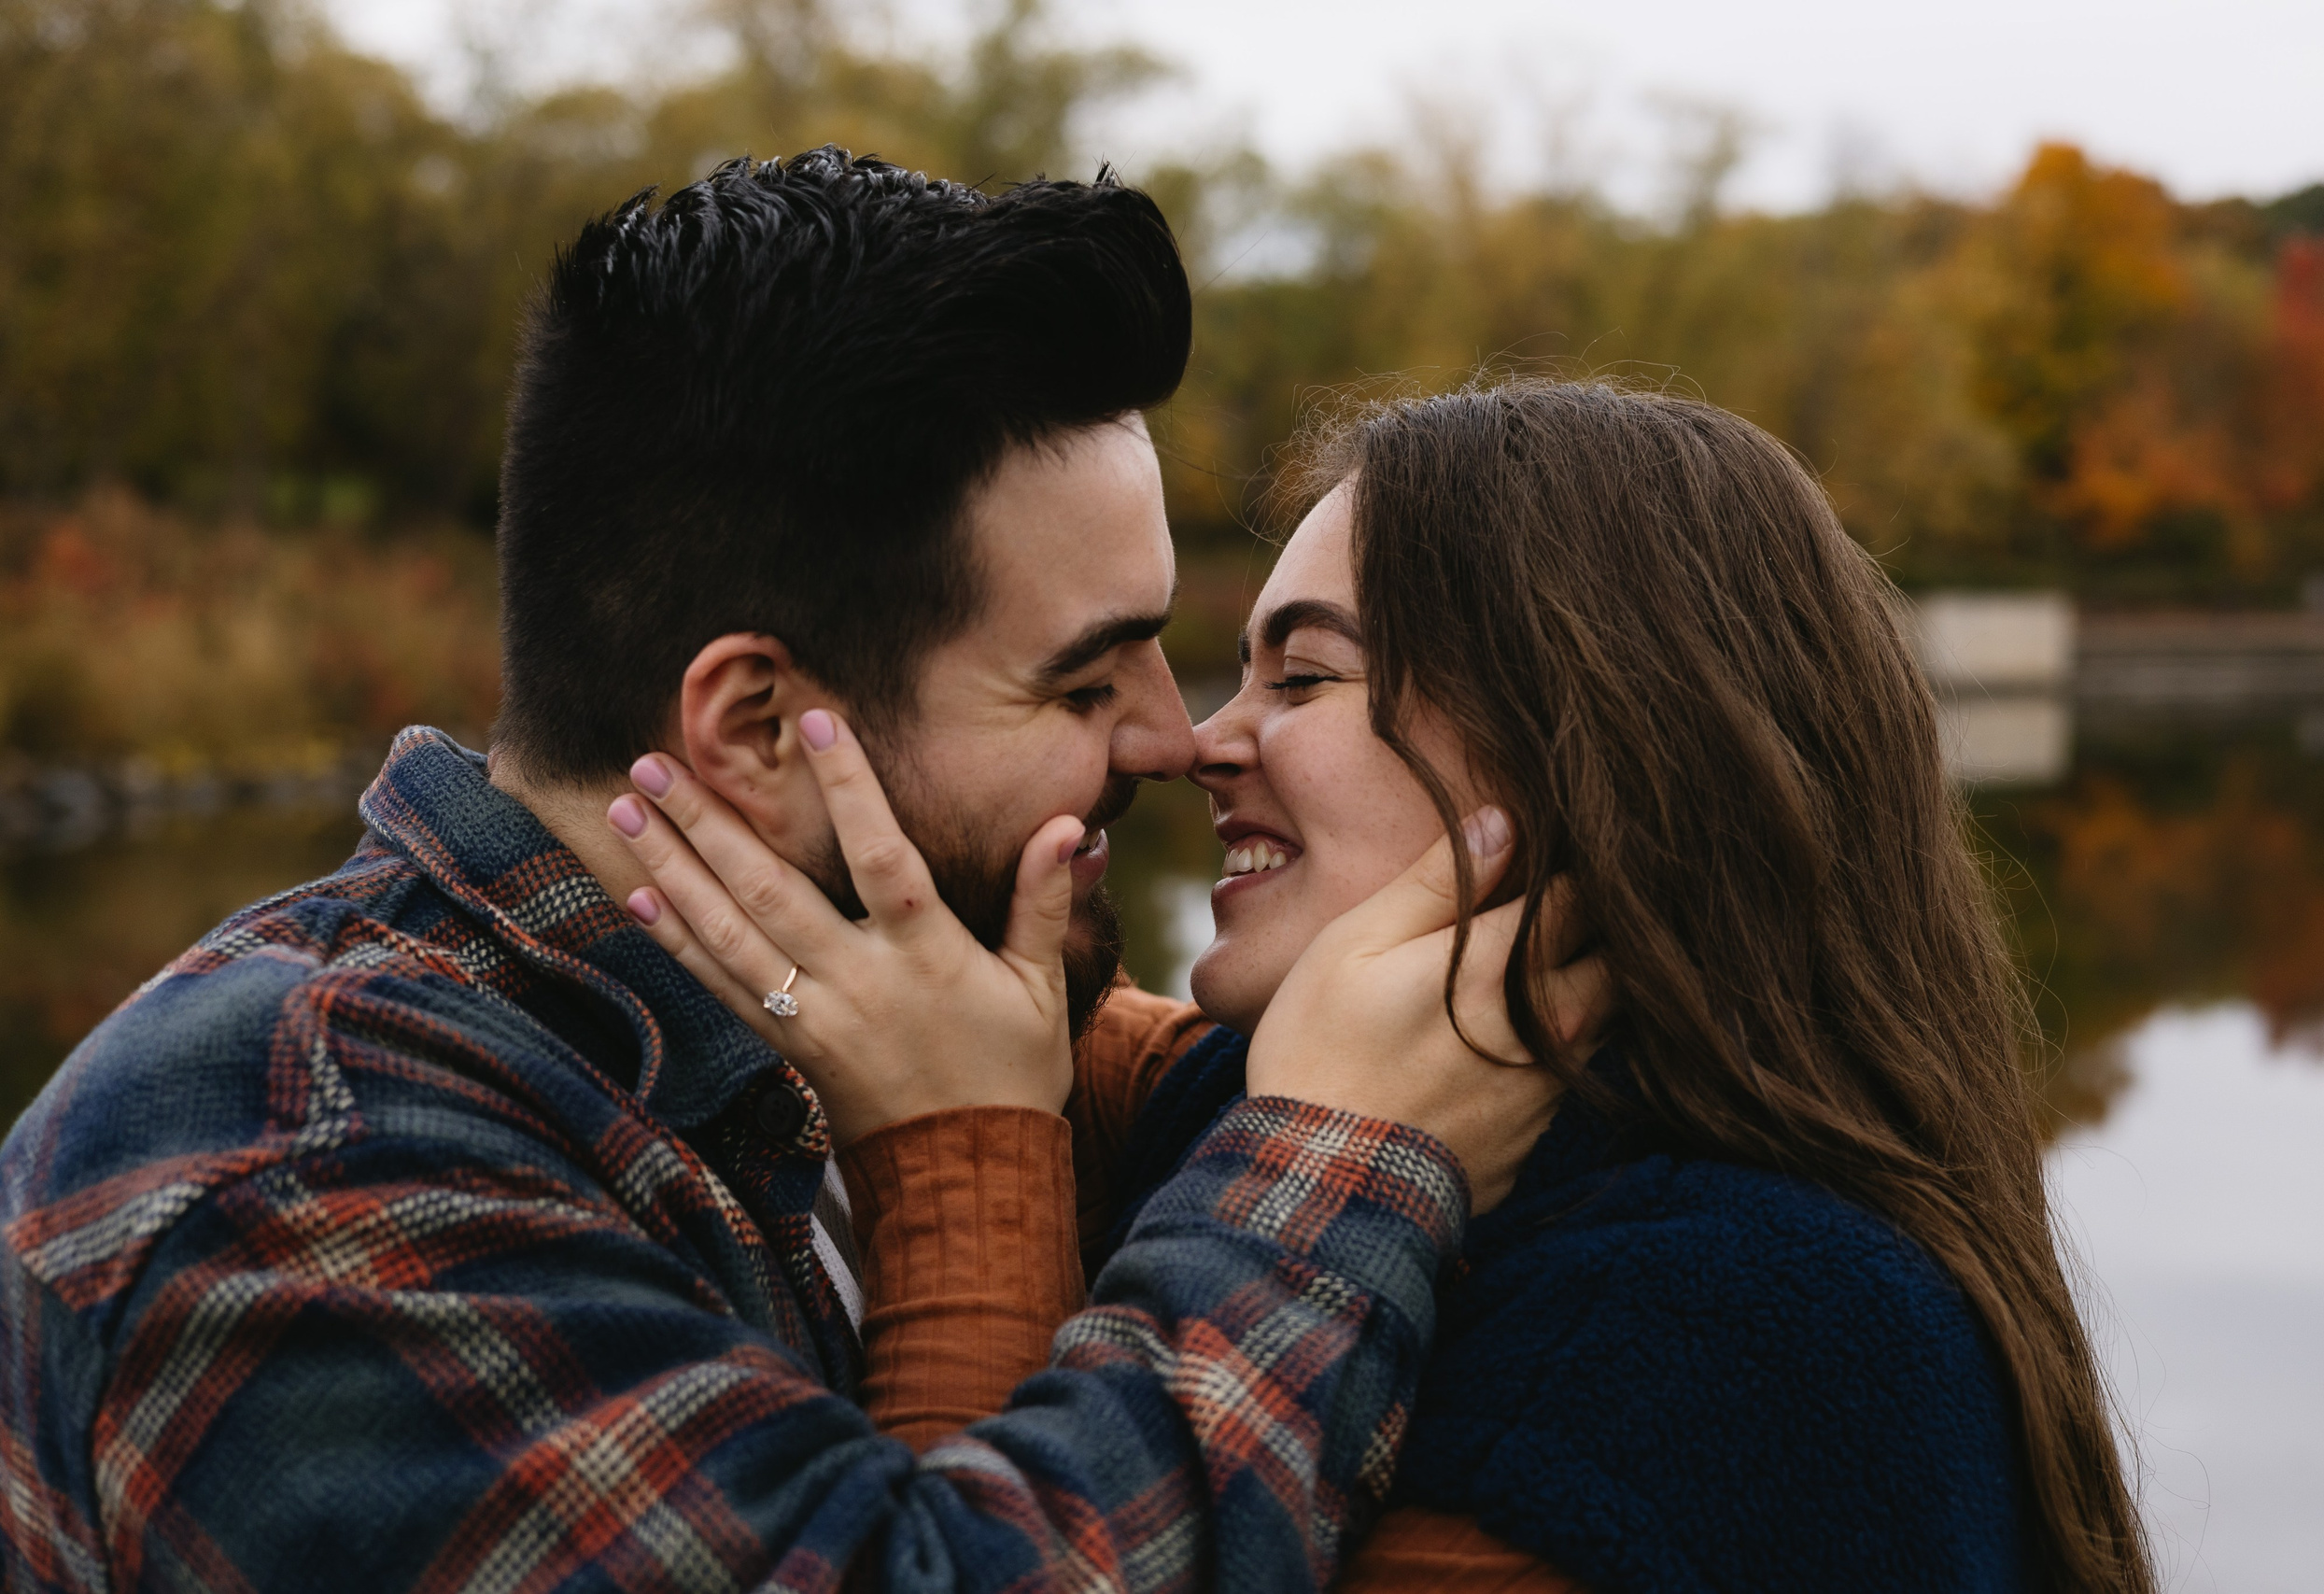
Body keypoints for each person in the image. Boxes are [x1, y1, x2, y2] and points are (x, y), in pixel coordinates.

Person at [0, 151, 1578, 1592]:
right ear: (760, 727)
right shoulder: (289, 1177)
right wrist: (1335, 1163)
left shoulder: (776, 1026)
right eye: (1085, 683)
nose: (1174, 740)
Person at [631, 380, 2158, 1593]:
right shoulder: (1265, 1093)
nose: (1202, 741)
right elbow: (997, 1022)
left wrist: (962, 1167)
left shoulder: (1751, 1330)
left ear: (1594, 751)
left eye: (1302, 677)